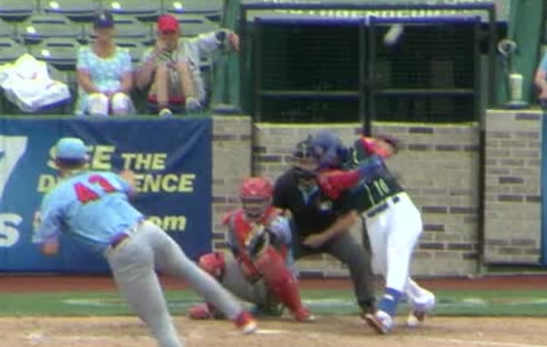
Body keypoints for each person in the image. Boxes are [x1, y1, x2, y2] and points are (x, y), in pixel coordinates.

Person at [34, 136, 257, 347]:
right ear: (85, 160)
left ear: (57, 163)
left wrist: (42, 225)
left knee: (160, 324)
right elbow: (130, 187)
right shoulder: (103, 177)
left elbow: (49, 248)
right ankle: (240, 316)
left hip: (124, 249)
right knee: (188, 270)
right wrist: (127, 179)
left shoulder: (54, 196)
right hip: (149, 230)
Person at [317, 132, 437, 335]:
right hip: (372, 219)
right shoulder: (326, 177)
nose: (321, 157)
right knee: (384, 267)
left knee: (396, 253)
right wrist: (362, 171)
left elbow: (377, 146)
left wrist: (381, 147)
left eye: (322, 151)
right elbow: (340, 183)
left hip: (399, 209)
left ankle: (385, 314)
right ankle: (423, 301)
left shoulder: (358, 148)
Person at [273, 137, 382, 328]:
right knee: (273, 257)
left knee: (359, 258)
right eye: (301, 162)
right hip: (299, 231)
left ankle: (368, 306)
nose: (306, 167)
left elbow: (350, 218)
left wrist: (322, 238)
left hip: (332, 232)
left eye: (310, 162)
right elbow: (276, 214)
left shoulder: (334, 182)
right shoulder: (285, 183)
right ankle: (272, 302)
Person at [187, 177, 313, 323]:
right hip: (249, 277)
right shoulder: (234, 221)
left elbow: (280, 234)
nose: (254, 206)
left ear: (268, 201)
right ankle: (215, 308)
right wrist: (243, 264)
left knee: (265, 259)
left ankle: (297, 309)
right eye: (250, 201)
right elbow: (235, 250)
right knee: (208, 262)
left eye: (259, 201)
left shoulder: (277, 220)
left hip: (277, 287)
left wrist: (265, 235)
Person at [133, 14, 239, 115]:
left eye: (172, 32)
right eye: (165, 33)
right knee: (162, 70)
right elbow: (140, 84)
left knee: (182, 65)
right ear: (159, 34)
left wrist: (230, 35)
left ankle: (191, 104)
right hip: (163, 95)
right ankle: (163, 109)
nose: (169, 37)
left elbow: (216, 37)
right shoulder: (150, 53)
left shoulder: (191, 45)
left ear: (178, 32)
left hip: (193, 92)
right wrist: (154, 56)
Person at [75, 12, 135, 116]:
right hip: (92, 93)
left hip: (117, 92)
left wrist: (114, 93)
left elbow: (127, 82)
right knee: (99, 101)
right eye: (100, 28)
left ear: (113, 29)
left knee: (119, 100)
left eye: (107, 27)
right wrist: (100, 93)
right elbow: (84, 80)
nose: (104, 31)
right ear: (94, 30)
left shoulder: (123, 53)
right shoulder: (84, 52)